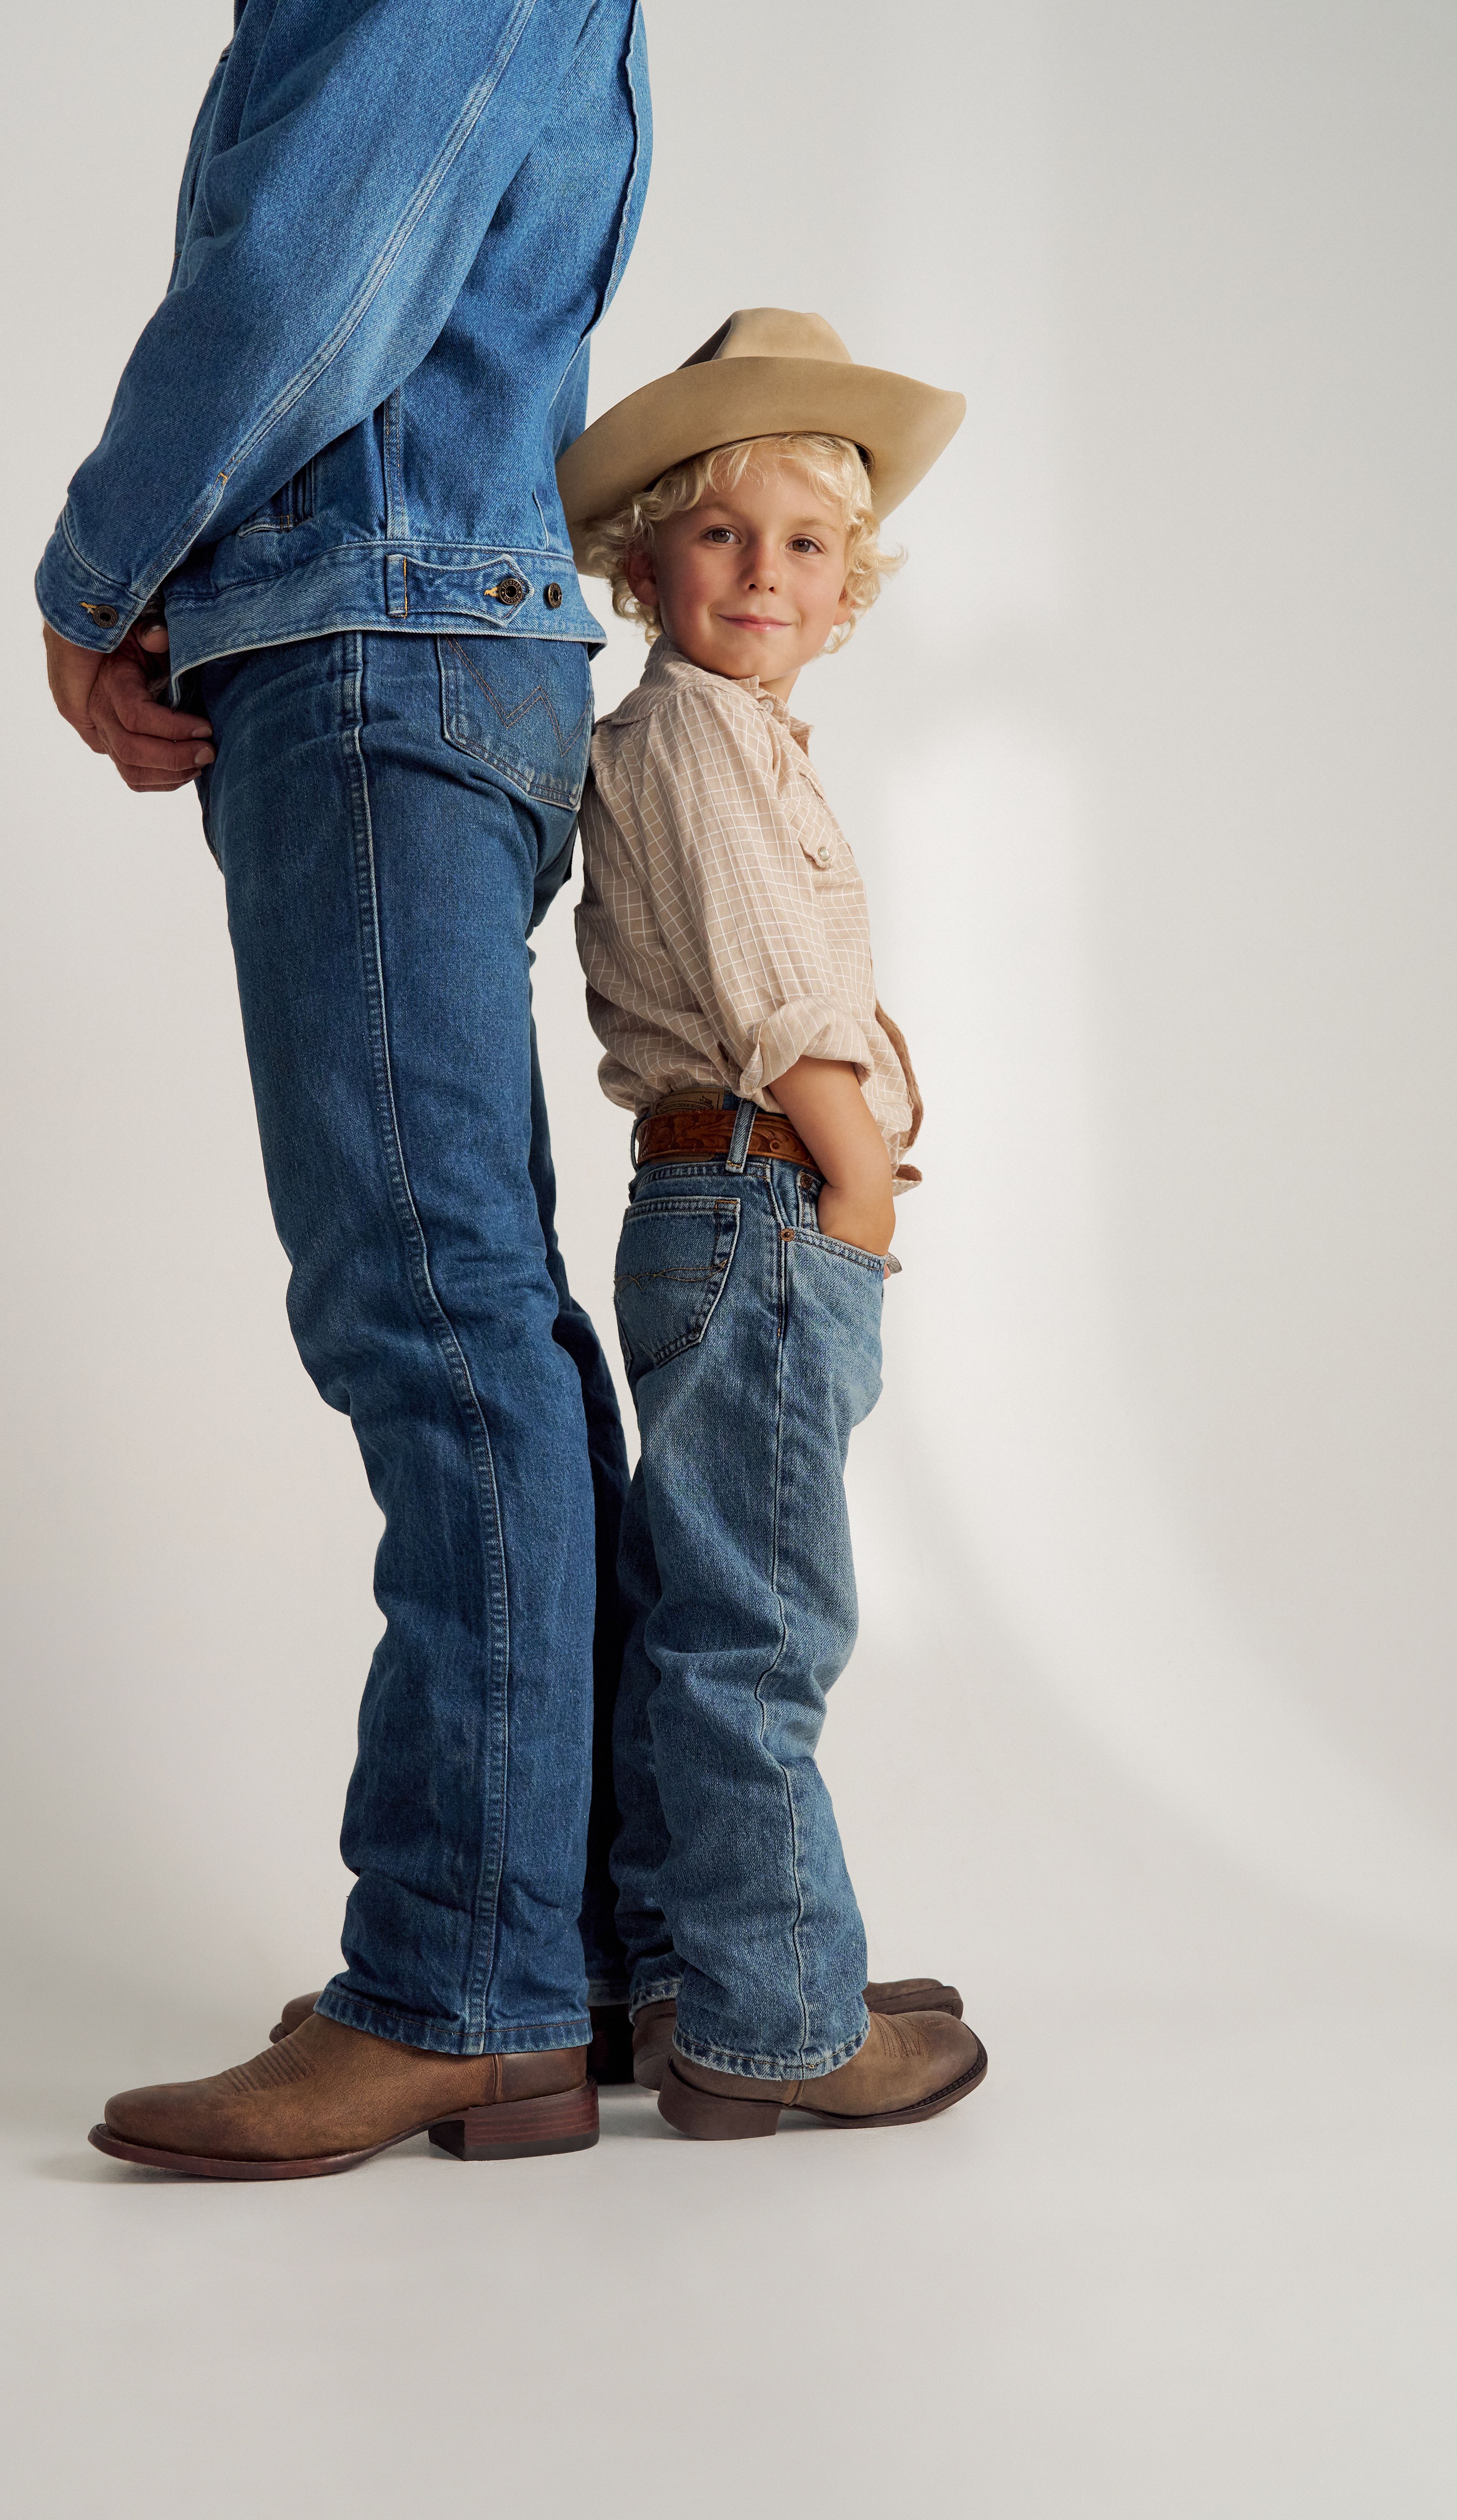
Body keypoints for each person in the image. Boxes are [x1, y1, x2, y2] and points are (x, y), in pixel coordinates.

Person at [46, 0, 653, 2182]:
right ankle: (620, 1949)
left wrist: (99, 569)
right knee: (485, 1304)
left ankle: (466, 1986)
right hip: (421, 639)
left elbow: (308, 279)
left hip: (376, 644)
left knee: (431, 1314)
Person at [558, 309, 989, 2138]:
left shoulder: (738, 738)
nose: (763, 570)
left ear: (848, 585)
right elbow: (768, 992)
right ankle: (772, 2020)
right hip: (759, 1195)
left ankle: (699, 1961)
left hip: (721, 1199)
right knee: (762, 1618)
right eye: (720, 532)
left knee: (704, 1601)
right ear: (645, 561)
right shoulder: (702, 743)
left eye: (805, 542)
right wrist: (861, 1174)